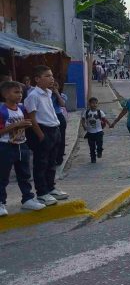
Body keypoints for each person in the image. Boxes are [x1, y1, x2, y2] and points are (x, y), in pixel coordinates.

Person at [24, 65, 69, 206]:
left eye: (52, 75)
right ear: (37, 79)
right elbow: (32, 118)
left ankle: (51, 188)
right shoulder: (33, 96)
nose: (51, 78)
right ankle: (42, 192)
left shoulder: (48, 93)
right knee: (41, 163)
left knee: (52, 162)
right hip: (43, 131)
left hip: (54, 129)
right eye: (47, 76)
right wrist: (41, 135)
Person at [0, 81, 46, 216]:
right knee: (2, 176)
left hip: (22, 145)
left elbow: (26, 122)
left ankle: (28, 199)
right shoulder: (2, 111)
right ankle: (1, 202)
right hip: (6, 146)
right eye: (16, 92)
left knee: (24, 174)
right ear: (5, 94)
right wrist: (16, 125)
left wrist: (26, 125)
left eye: (21, 92)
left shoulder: (21, 108)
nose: (20, 95)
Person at [81, 97, 108, 163]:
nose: (94, 104)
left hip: (99, 132)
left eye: (96, 103)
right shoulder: (86, 112)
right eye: (93, 103)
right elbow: (83, 120)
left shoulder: (100, 112)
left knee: (99, 144)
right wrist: (84, 126)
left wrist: (106, 124)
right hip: (90, 133)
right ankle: (93, 158)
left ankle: (99, 152)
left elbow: (104, 119)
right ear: (89, 104)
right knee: (91, 147)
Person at [51, 81, 69, 165]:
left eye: (56, 85)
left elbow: (62, 104)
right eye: (52, 85)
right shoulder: (47, 96)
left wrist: (57, 94)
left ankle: (59, 157)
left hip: (58, 116)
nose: (54, 87)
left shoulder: (62, 96)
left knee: (61, 138)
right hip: (50, 117)